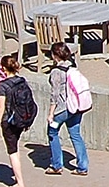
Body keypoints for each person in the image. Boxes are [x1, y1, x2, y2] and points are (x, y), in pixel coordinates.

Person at [45, 43, 89, 176]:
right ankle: (82, 166)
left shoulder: (56, 72)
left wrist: (51, 113)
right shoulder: (73, 66)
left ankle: (56, 165)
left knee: (52, 132)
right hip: (76, 107)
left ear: (54, 56)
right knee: (75, 135)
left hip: (62, 110)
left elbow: (55, 95)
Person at [0, 54, 36, 185]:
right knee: (15, 147)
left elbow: (1, 107)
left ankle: (20, 182)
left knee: (12, 151)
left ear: (4, 69)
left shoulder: (3, 85)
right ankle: (18, 177)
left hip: (9, 121)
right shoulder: (22, 80)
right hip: (21, 119)